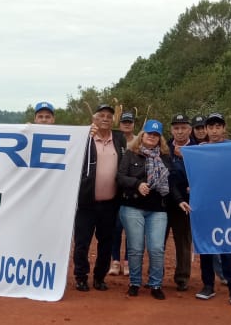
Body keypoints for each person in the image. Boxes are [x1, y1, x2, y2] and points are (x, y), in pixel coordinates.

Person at [188, 112, 231, 305]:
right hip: (204, 205)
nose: (214, 130)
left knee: (227, 246)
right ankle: (208, 286)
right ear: (206, 130)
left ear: (224, 128)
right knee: (205, 246)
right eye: (210, 127)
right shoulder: (199, 150)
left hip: (227, 206)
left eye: (217, 126)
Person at [116, 119, 174, 298]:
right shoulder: (131, 154)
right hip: (133, 206)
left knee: (156, 248)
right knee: (135, 247)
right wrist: (137, 184)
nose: (152, 137)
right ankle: (134, 283)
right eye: (149, 133)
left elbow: (171, 182)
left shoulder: (164, 157)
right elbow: (120, 177)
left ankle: (155, 284)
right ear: (142, 135)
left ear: (160, 138)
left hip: (158, 208)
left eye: (156, 135)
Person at [73, 104, 126, 292]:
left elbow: (139, 142)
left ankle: (99, 277)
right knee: (82, 242)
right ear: (94, 118)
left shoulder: (119, 140)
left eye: (109, 116)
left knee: (106, 243)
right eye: (101, 115)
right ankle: (81, 277)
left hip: (110, 204)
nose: (105, 118)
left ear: (113, 120)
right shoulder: (84, 138)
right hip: (86, 203)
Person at [166, 113, 195, 291]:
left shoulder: (199, 148)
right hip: (163, 201)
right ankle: (156, 276)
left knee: (183, 241)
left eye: (183, 128)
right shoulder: (164, 147)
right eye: (176, 128)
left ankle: (182, 278)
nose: (180, 131)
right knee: (158, 242)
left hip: (185, 202)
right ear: (172, 130)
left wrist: (187, 157)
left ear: (189, 130)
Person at [109, 111, 138, 276]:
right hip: (115, 189)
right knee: (116, 228)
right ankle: (115, 261)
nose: (127, 125)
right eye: (124, 122)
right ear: (119, 124)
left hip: (133, 190)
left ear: (133, 124)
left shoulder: (138, 141)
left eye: (130, 122)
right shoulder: (114, 139)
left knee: (130, 228)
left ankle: (127, 261)